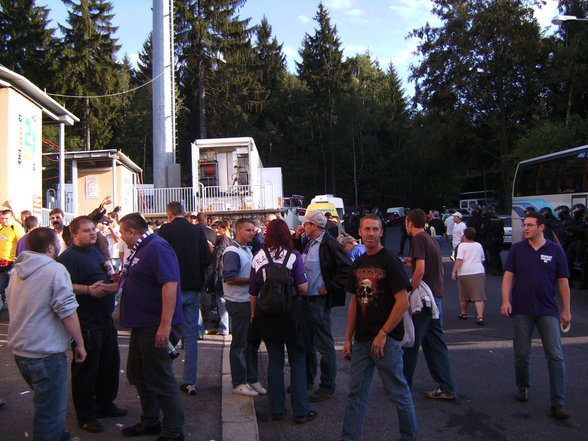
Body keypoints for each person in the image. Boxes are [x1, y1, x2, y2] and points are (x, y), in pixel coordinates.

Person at [340, 214, 418, 441]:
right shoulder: (359, 262)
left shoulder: (389, 261)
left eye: (375, 229)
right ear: (360, 233)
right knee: (355, 394)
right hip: (362, 340)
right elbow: (355, 301)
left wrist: (383, 334)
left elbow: (402, 302)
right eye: (367, 229)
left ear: (382, 232)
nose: (371, 233)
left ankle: (410, 437)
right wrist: (347, 338)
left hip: (387, 340)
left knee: (399, 393)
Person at [7, 227, 87, 441]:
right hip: (46, 352)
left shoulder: (17, 272)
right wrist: (79, 343)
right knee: (50, 413)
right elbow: (67, 310)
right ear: (51, 247)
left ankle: (59, 435)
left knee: (46, 403)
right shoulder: (55, 269)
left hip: (21, 350)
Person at [118, 212, 185, 440]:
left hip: (156, 324)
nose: (120, 237)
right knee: (139, 373)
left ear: (130, 231)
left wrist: (165, 325)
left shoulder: (156, 247)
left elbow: (169, 284)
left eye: (121, 233)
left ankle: (173, 430)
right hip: (142, 323)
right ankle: (150, 421)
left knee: (160, 377)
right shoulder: (142, 247)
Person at [500, 212, 571, 420]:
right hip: (521, 310)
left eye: (530, 225)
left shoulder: (556, 250)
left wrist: (566, 310)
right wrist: (505, 300)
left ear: (541, 227)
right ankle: (523, 386)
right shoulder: (517, 250)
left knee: (555, 355)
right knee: (522, 353)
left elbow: (563, 282)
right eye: (524, 225)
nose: (525, 228)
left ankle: (558, 402)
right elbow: (508, 277)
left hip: (547, 310)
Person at [58, 216, 126, 433]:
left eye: (93, 229)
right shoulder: (68, 258)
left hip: (105, 317)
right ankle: (86, 415)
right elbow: (64, 286)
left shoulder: (95, 250)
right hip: (86, 322)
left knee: (109, 364)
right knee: (86, 370)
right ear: (74, 234)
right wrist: (88, 289)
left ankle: (105, 404)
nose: (92, 233)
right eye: (86, 230)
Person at [249, 219, 317, 424]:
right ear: (287, 235)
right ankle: (300, 411)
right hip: (291, 313)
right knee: (297, 360)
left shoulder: (258, 257)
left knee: (275, 360)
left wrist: (255, 315)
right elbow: (303, 287)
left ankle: (277, 409)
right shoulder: (293, 256)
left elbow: (253, 291)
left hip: (267, 314)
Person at [293, 210, 352, 402]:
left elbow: (346, 268)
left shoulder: (329, 244)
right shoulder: (309, 242)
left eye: (306, 224)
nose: (303, 226)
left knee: (324, 344)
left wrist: (331, 287)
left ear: (315, 226)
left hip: (317, 300)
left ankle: (327, 385)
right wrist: (297, 238)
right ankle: (308, 380)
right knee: (307, 342)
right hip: (306, 299)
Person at [403, 208, 458, 400]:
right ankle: (447, 386)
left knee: (410, 341)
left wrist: (408, 291)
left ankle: (403, 385)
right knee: (434, 343)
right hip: (436, 296)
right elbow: (427, 264)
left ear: (409, 223)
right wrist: (414, 262)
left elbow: (420, 271)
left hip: (425, 300)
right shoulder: (430, 238)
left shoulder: (418, 239)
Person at [159, 201, 212, 396]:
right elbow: (207, 260)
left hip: (170, 288)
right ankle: (190, 381)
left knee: (165, 331)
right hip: (193, 288)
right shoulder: (197, 231)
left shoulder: (165, 230)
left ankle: (164, 377)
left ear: (169, 214)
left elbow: (159, 257)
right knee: (191, 336)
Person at [222, 218, 266, 397]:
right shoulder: (232, 251)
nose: (252, 233)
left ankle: (252, 378)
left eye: (253, 230)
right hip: (238, 302)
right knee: (240, 343)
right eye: (248, 230)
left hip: (247, 301)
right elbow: (229, 277)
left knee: (251, 343)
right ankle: (239, 381)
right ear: (237, 230)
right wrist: (254, 280)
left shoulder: (247, 250)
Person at [452, 227, 487, 325]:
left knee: (464, 294)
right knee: (478, 295)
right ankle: (480, 316)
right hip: (478, 271)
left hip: (465, 272)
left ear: (465, 236)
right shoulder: (478, 245)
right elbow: (482, 259)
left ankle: (464, 313)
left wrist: (454, 272)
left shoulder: (462, 246)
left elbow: (459, 259)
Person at [0, 209, 25, 309]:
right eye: (2, 218)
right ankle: (3, 306)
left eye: (6, 218)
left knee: (14, 286)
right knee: (1, 287)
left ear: (11, 218)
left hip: (12, 262)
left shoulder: (16, 227)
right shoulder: (1, 228)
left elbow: (22, 242)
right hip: (1, 262)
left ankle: (17, 306)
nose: (4, 221)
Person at [212, 220, 232, 335]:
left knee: (221, 300)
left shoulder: (224, 240)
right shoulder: (232, 240)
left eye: (219, 228)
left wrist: (212, 250)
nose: (217, 230)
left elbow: (217, 255)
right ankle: (229, 326)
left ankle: (224, 327)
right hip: (227, 271)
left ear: (224, 229)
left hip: (220, 271)